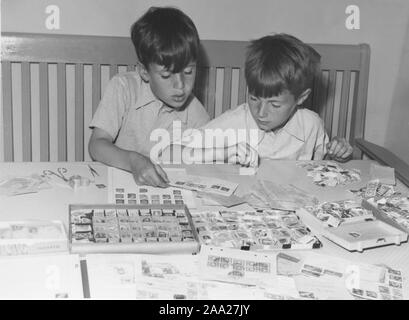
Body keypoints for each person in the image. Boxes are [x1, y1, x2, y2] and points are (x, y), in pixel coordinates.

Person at [160, 33, 353, 166]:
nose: (261, 113)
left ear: (301, 97)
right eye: (254, 98)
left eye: (274, 104)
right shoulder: (236, 122)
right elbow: (166, 153)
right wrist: (222, 153)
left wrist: (338, 154)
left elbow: (323, 164)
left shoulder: (311, 124)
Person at [88, 6, 210, 186]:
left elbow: (204, 165)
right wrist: (133, 161)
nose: (180, 86)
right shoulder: (123, 88)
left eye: (189, 71)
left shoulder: (196, 114)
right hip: (115, 187)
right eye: (167, 76)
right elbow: (96, 145)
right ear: (144, 71)